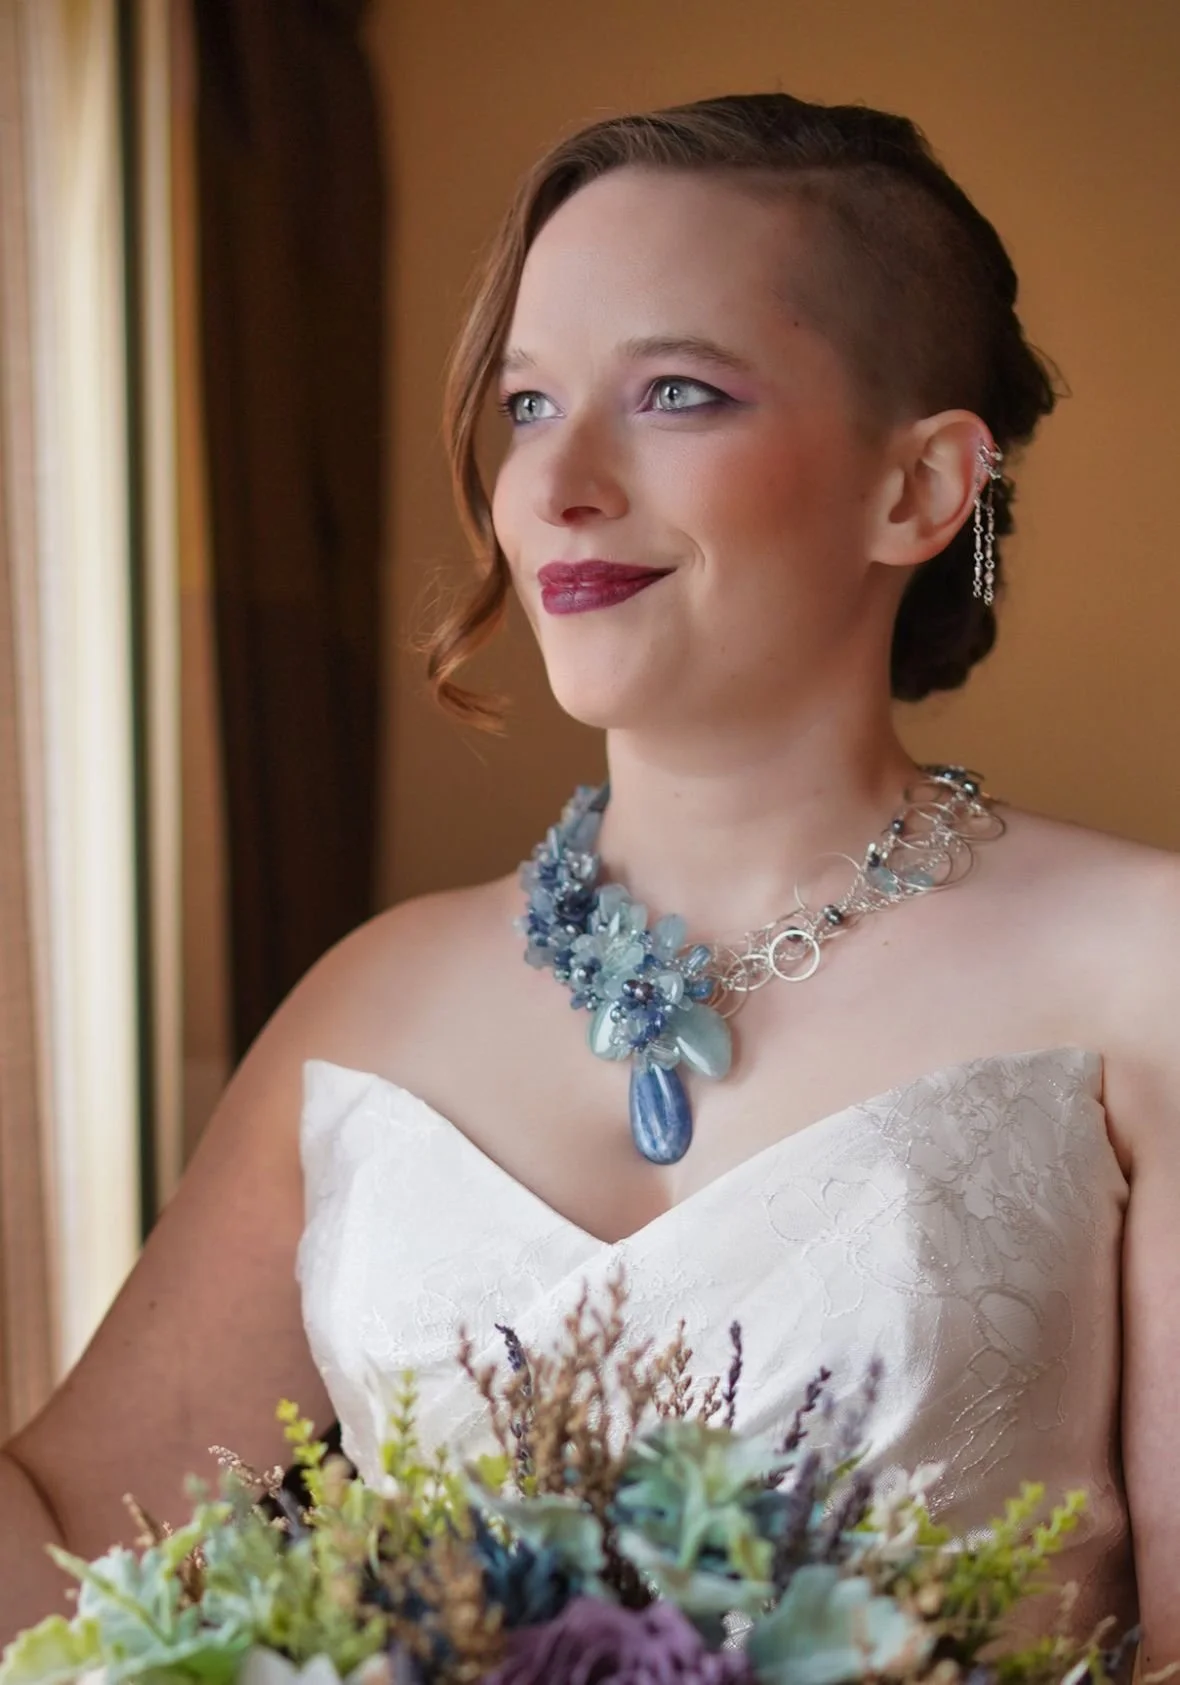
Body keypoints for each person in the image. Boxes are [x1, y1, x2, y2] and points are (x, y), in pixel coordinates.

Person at [2, 90, 1178, 1667]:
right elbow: (74, 1555)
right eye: (532, 404)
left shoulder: (1145, 971)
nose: (555, 486)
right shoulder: (372, 1000)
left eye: (677, 392)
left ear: (919, 491)